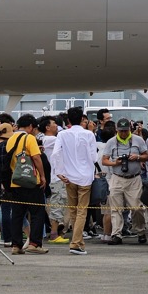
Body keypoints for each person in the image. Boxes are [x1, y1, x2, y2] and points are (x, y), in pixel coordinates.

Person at [51, 106, 96, 255]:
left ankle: (78, 241)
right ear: (82, 119)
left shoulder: (62, 134)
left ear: (68, 120)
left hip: (68, 176)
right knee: (82, 210)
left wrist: (59, 171)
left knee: (73, 210)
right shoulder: (89, 134)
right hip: (85, 177)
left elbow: (56, 153)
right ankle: (76, 243)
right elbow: (93, 157)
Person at [101, 117, 148, 245]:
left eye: (125, 130)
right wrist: (114, 162)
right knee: (116, 208)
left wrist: (137, 157)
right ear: (117, 130)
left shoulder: (138, 140)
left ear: (130, 129)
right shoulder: (111, 142)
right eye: (121, 131)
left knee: (137, 207)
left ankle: (140, 231)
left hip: (134, 178)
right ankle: (116, 234)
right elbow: (104, 160)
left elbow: (146, 156)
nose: (123, 133)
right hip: (117, 177)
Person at [7, 114, 48, 255]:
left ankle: (16, 245)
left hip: (16, 181)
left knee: (17, 215)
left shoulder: (10, 139)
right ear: (30, 127)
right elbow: (36, 157)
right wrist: (42, 176)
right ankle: (34, 244)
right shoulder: (29, 138)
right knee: (37, 213)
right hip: (31, 182)